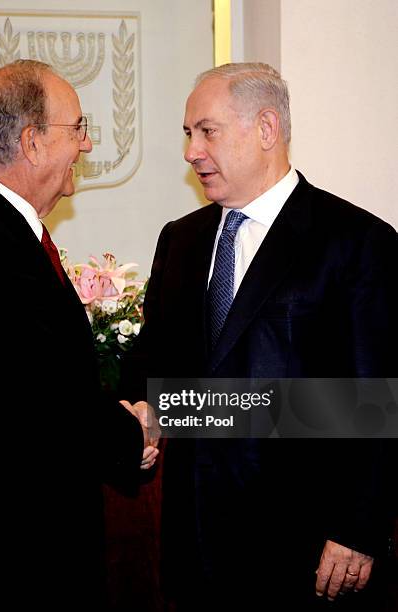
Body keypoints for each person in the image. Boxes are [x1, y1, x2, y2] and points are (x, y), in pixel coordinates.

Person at [130, 63, 397, 609]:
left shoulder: (357, 241)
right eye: (188, 134)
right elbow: (155, 368)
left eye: (207, 131)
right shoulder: (179, 240)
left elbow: (378, 399)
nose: (191, 152)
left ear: (267, 129)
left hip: (305, 550)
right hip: (193, 543)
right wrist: (138, 418)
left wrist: (358, 529)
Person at [0, 59, 158, 608]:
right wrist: (131, 436)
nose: (85, 145)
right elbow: (43, 398)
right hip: (3, 555)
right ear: (31, 142)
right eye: (77, 128)